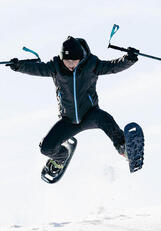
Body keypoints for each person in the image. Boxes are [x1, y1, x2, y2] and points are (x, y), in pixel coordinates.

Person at [9, 35, 138, 177]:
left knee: (106, 119)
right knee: (46, 148)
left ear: (80, 58)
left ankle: (124, 148)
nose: (70, 64)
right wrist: (19, 66)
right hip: (69, 120)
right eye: (67, 61)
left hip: (90, 114)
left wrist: (129, 59)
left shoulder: (92, 64)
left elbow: (113, 66)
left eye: (73, 61)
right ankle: (61, 157)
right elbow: (37, 68)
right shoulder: (55, 67)